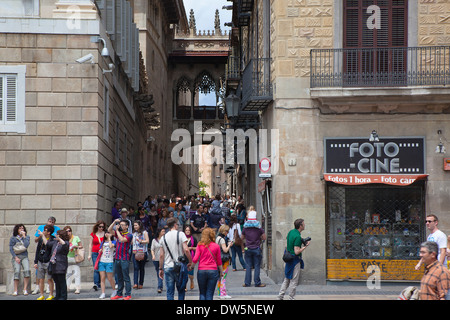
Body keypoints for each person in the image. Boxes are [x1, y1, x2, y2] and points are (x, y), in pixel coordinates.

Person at [159, 217, 193, 300]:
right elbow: (186, 249)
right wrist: (190, 261)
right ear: (175, 225)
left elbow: (161, 255)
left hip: (168, 266)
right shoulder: (180, 234)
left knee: (170, 292)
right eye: (177, 224)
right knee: (181, 290)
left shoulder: (163, 238)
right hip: (179, 266)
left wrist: (160, 268)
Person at [277, 218, 310, 300]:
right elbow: (296, 252)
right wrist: (305, 246)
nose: (305, 225)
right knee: (294, 281)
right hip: (294, 260)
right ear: (300, 226)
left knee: (287, 279)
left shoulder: (291, 232)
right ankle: (291, 297)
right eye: (303, 224)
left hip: (288, 258)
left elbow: (287, 239)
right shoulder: (297, 236)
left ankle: (280, 296)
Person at [191, 228, 223, 300]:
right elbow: (219, 261)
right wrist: (221, 272)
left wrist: (191, 266)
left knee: (202, 292)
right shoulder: (216, 246)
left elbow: (195, 258)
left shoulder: (200, 245)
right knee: (210, 293)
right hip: (213, 270)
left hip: (202, 270)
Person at [109, 218, 133, 300]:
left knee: (126, 277)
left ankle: (128, 294)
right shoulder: (118, 233)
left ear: (127, 226)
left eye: (123, 225)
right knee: (119, 277)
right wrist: (114, 222)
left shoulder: (129, 235)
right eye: (120, 225)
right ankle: (119, 293)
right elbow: (109, 230)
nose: (121, 226)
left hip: (124, 258)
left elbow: (122, 240)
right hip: (117, 258)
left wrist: (118, 231)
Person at [241, 210, 266, 287]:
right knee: (257, 266)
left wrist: (247, 240)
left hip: (248, 248)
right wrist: (260, 238)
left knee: (248, 266)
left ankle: (247, 283)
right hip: (256, 248)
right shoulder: (259, 228)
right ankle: (257, 282)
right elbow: (264, 237)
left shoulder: (245, 227)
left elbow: (242, 237)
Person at [34, 225, 55, 300]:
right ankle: (41, 294)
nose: (43, 231)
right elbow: (37, 251)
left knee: (49, 279)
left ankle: (50, 294)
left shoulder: (52, 239)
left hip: (48, 261)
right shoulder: (40, 240)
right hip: (40, 260)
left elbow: (50, 248)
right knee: (41, 279)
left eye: (45, 230)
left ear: (49, 232)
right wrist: (35, 262)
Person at [49, 229, 70, 300]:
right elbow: (48, 244)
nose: (56, 235)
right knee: (56, 281)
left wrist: (60, 239)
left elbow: (65, 246)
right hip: (54, 264)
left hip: (61, 264)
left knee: (61, 281)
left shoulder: (66, 243)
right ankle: (58, 295)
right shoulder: (55, 242)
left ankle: (63, 296)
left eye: (58, 234)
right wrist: (43, 236)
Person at [9, 224, 31, 296]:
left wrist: (24, 236)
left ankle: (25, 289)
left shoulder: (27, 237)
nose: (21, 230)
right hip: (17, 256)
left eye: (22, 228)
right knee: (17, 272)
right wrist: (15, 257)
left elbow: (26, 245)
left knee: (27, 270)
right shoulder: (13, 238)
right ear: (17, 230)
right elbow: (11, 248)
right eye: (20, 228)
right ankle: (15, 290)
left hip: (24, 256)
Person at [98, 230, 117, 299]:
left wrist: (109, 238)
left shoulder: (114, 241)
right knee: (102, 278)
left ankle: (114, 290)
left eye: (109, 233)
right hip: (102, 261)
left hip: (109, 261)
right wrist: (100, 250)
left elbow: (111, 246)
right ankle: (103, 293)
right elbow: (100, 249)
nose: (107, 234)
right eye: (106, 232)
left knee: (110, 278)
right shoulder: (102, 242)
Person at [216, 225, 233, 299]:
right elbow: (225, 250)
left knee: (219, 277)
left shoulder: (217, 238)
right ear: (225, 231)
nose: (227, 233)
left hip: (218, 259)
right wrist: (229, 245)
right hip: (224, 260)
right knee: (223, 276)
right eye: (227, 231)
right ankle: (223, 293)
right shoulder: (222, 240)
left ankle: (220, 293)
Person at [64, 226, 82, 294]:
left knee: (77, 273)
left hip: (75, 257)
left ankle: (77, 288)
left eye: (69, 231)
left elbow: (81, 246)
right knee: (68, 273)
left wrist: (75, 246)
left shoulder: (76, 237)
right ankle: (68, 287)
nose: (68, 232)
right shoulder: (64, 239)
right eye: (67, 231)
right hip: (67, 257)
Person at [88, 220, 106, 291]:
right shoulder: (93, 234)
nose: (101, 228)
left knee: (102, 268)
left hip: (103, 253)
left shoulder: (105, 234)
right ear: (97, 226)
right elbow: (90, 244)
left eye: (103, 227)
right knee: (96, 268)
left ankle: (101, 283)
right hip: (95, 253)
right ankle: (96, 283)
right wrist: (89, 254)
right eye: (100, 227)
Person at [132, 220, 149, 289]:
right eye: (134, 225)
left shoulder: (144, 232)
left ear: (140, 225)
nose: (135, 227)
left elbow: (147, 241)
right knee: (136, 268)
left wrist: (141, 241)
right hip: (135, 252)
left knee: (141, 268)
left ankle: (141, 283)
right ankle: (135, 283)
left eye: (136, 225)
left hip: (142, 252)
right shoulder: (134, 233)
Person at [151, 228, 165, 293]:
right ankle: (160, 284)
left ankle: (159, 287)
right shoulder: (154, 240)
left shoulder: (165, 240)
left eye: (164, 231)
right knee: (158, 272)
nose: (164, 232)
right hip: (156, 258)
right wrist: (153, 255)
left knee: (161, 271)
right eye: (162, 231)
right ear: (159, 232)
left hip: (164, 258)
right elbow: (152, 249)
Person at [184, 225, 197, 291]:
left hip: (191, 257)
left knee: (191, 272)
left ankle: (191, 280)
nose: (187, 231)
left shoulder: (194, 239)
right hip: (184, 257)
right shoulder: (182, 238)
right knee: (184, 272)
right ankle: (185, 285)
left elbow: (197, 248)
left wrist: (191, 248)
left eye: (188, 230)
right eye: (186, 230)